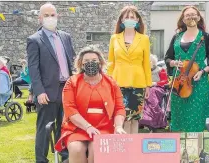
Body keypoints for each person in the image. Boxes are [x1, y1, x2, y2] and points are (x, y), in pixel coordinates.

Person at [54, 46, 126, 163]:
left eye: (94, 61)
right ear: (81, 65)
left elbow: (119, 108)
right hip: (76, 129)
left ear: (100, 63)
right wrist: (88, 127)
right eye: (86, 61)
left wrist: (118, 126)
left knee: (97, 149)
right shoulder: (72, 82)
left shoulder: (111, 83)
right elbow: (70, 109)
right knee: (76, 149)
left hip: (104, 128)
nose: (90, 63)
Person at [26, 3, 75, 163]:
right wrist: (39, 91)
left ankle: (65, 157)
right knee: (44, 128)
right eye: (46, 15)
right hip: (46, 92)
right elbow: (33, 68)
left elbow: (71, 62)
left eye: (52, 15)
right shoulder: (34, 40)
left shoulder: (66, 37)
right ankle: (41, 159)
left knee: (65, 126)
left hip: (66, 89)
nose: (49, 18)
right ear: (40, 18)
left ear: (57, 16)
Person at [164, 6, 209, 132]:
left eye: (193, 14)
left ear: (199, 17)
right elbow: (167, 57)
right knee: (180, 116)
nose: (191, 17)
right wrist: (173, 62)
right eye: (187, 15)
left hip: (199, 83)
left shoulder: (206, 37)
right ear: (183, 20)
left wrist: (202, 71)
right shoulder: (176, 37)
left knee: (197, 116)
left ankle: (198, 149)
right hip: (180, 83)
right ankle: (181, 149)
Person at [107, 5, 152, 134]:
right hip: (118, 83)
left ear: (138, 20)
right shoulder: (114, 38)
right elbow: (111, 63)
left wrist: (148, 85)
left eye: (132, 17)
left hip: (138, 83)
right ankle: (124, 148)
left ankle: (134, 148)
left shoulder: (144, 39)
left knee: (135, 119)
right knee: (123, 118)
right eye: (126, 17)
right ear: (121, 20)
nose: (129, 19)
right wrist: (108, 82)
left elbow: (146, 64)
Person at [139, 54, 169, 131]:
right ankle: (144, 120)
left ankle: (152, 119)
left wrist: (155, 83)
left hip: (158, 88)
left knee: (151, 93)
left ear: (153, 62)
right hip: (146, 88)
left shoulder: (160, 69)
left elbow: (165, 81)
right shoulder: (142, 71)